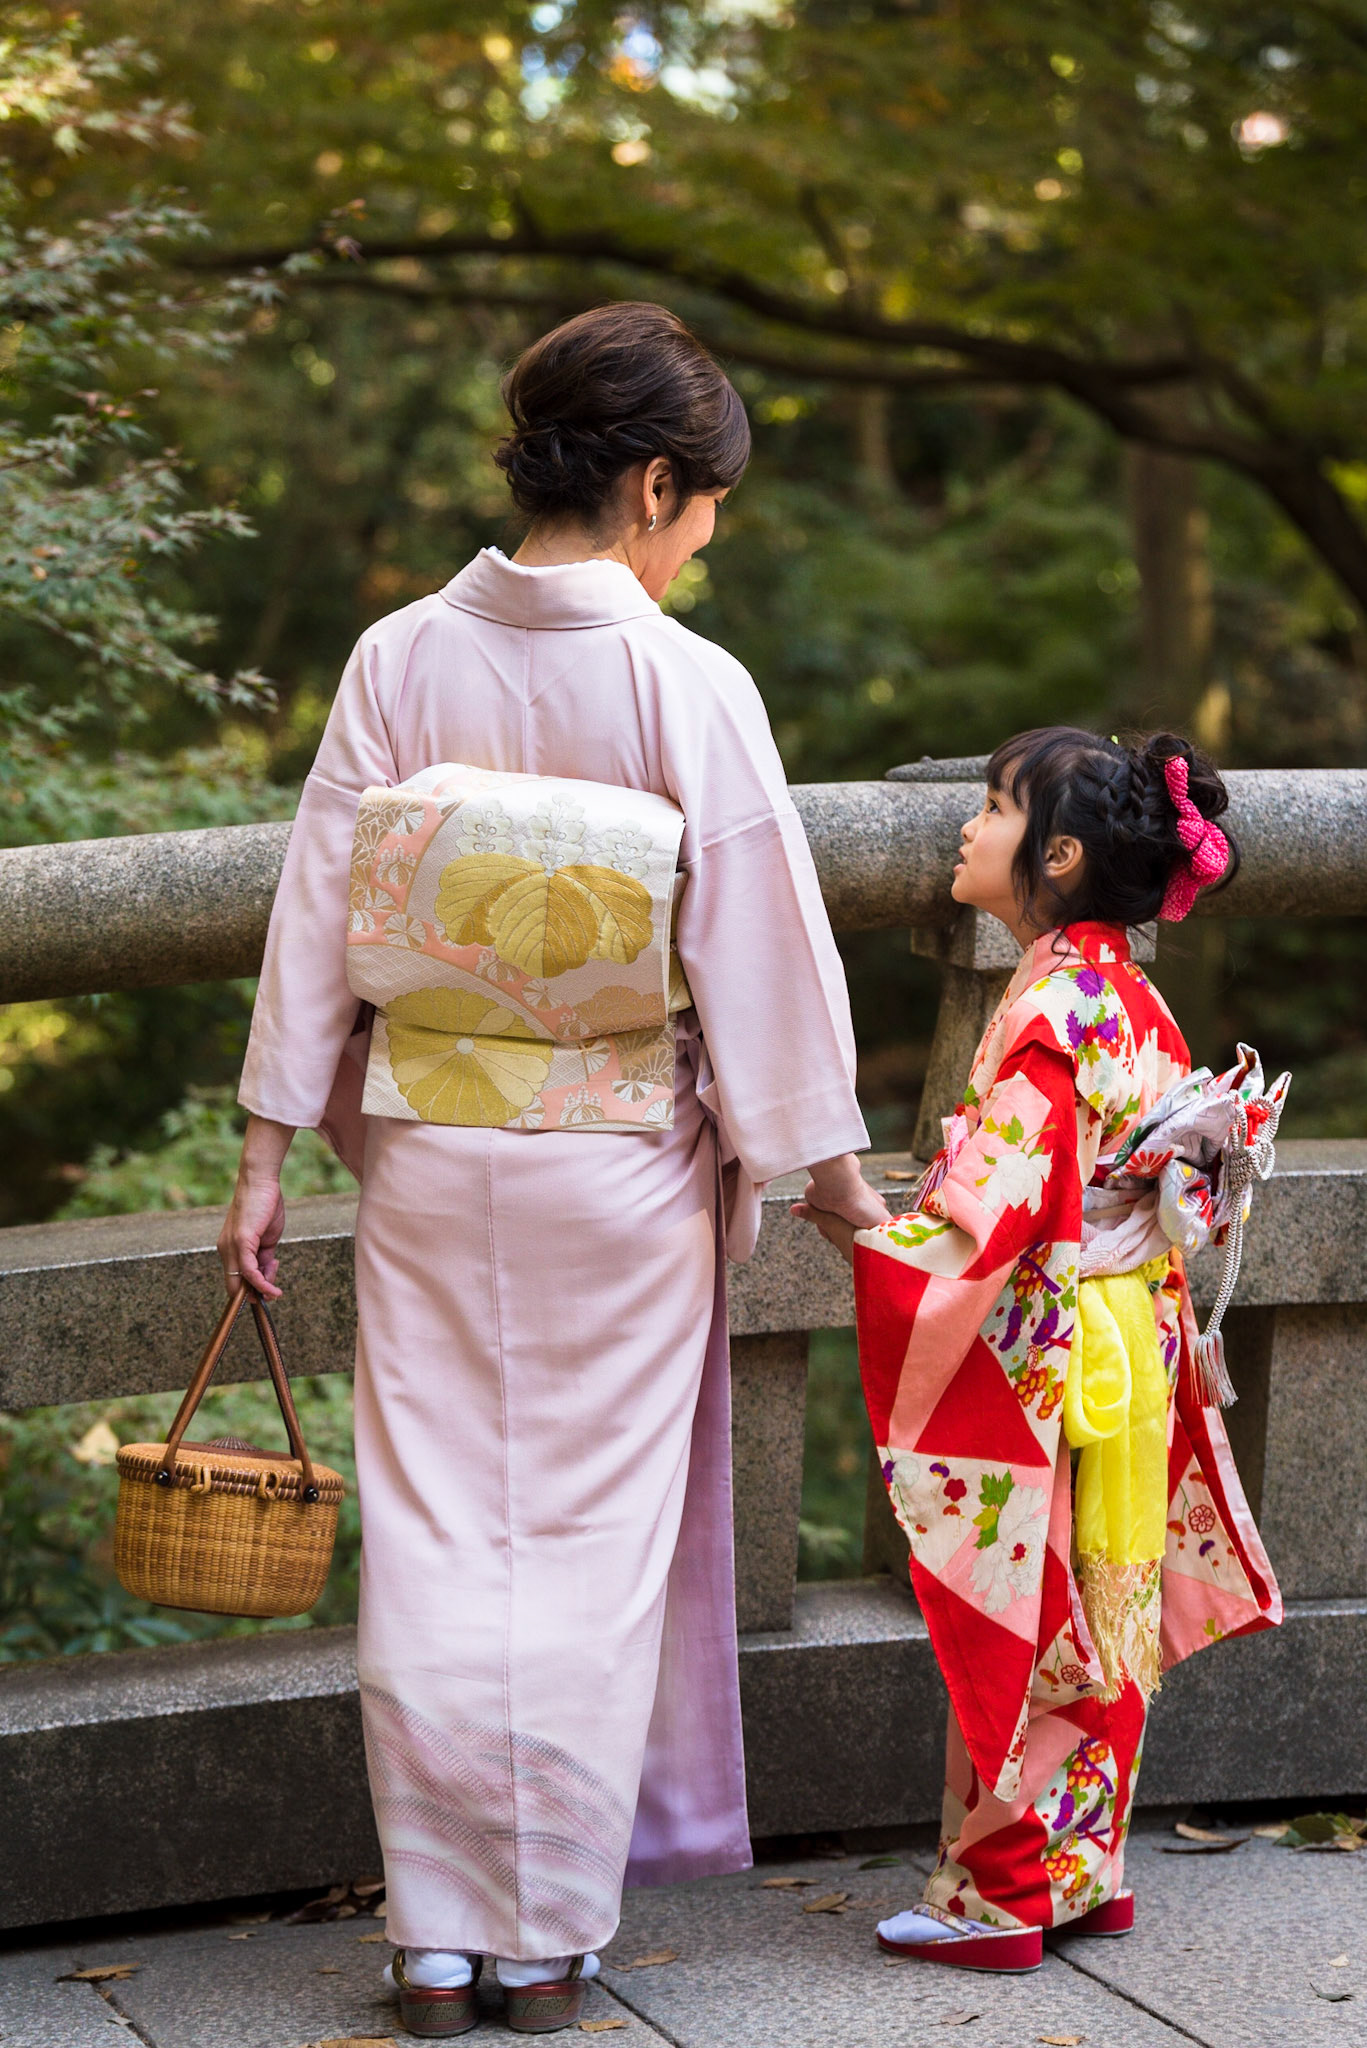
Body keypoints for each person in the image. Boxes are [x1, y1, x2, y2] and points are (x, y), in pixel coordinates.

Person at [219, 302, 889, 2037]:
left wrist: (265, 1145)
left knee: (436, 1533)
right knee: (584, 1546)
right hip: (616, 1161)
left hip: (430, 1151)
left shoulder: (394, 657)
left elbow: (317, 907)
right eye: (702, 510)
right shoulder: (685, 681)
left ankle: (434, 1935)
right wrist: (834, 1180)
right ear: (652, 483)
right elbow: (759, 946)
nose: (700, 546)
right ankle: (541, 1943)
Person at [796, 726, 1283, 1976]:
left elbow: (993, 1212)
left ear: (1056, 855)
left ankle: (1001, 1892)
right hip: (1130, 1332)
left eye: (992, 807)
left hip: (1054, 1344)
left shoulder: (1050, 1011)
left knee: (1029, 1609)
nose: (968, 827)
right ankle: (1085, 1871)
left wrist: (867, 1223)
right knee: (1101, 1602)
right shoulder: (1126, 991)